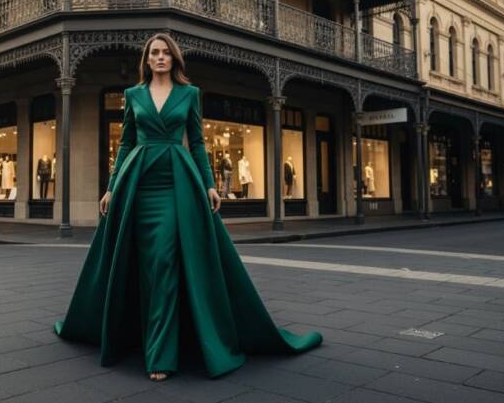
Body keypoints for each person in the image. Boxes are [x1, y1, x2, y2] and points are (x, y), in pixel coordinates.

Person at [53, 33, 322, 381]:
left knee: (164, 261)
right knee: (141, 261)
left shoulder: (190, 94)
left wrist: (210, 183)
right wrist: (112, 186)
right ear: (147, 60)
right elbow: (127, 142)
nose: (160, 57)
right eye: (155, 53)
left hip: (176, 181)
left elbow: (196, 142)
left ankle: (161, 353)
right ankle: (135, 332)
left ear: (174, 59)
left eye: (166, 53)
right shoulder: (133, 95)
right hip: (138, 180)